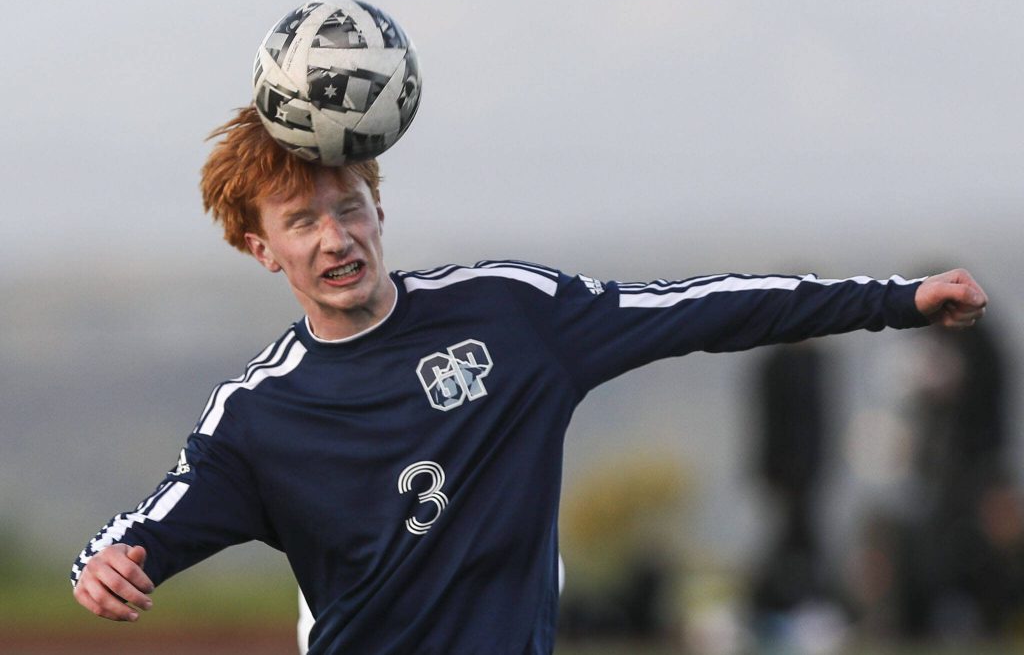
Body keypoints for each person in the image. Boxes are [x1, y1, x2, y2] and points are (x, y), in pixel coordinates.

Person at [70, 105, 988, 654]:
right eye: (301, 221)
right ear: (258, 248)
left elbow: (704, 308)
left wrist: (897, 300)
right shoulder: (258, 419)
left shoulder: (510, 317)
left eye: (348, 206)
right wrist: (103, 566)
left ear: (379, 204)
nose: (335, 237)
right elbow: (142, 532)